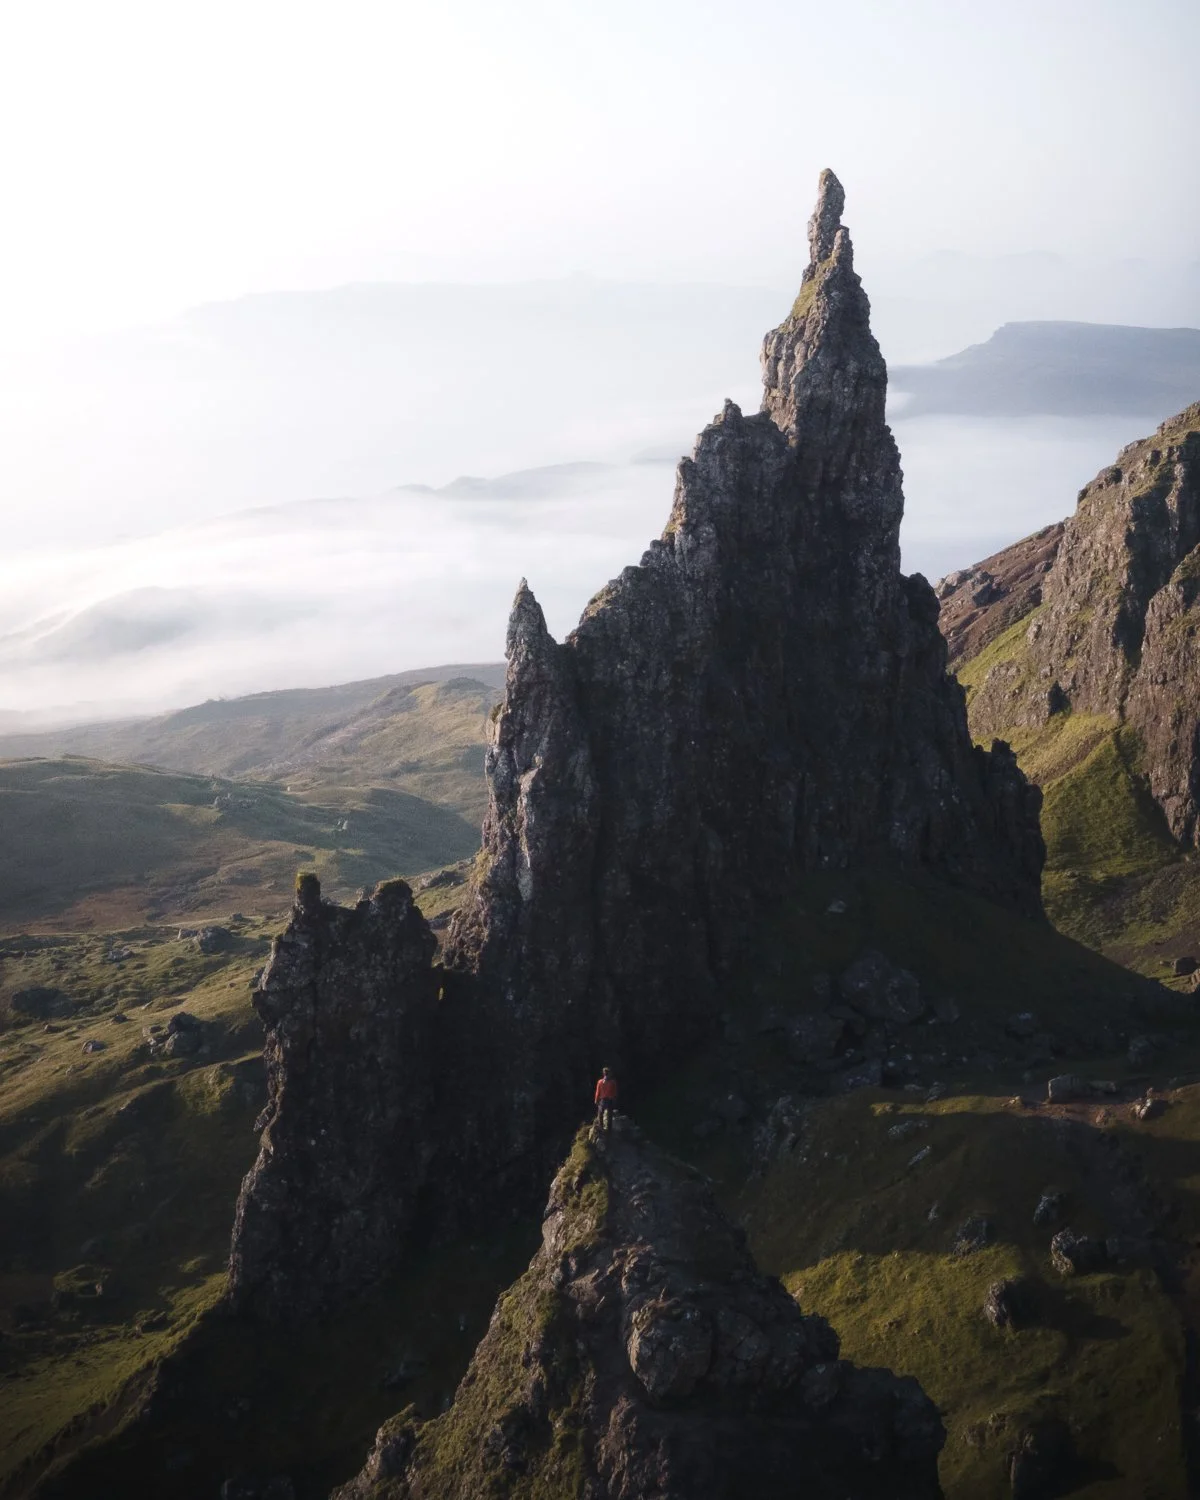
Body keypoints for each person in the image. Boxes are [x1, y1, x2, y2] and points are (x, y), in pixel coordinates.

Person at [594, 1067, 618, 1132]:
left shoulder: (600, 1082)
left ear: (603, 1073)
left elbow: (597, 1092)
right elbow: (614, 1092)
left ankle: (601, 1127)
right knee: (609, 1114)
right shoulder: (612, 1082)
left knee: (600, 1113)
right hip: (610, 1099)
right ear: (609, 1073)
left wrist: (596, 1100)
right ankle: (609, 1128)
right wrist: (614, 1100)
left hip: (603, 1100)